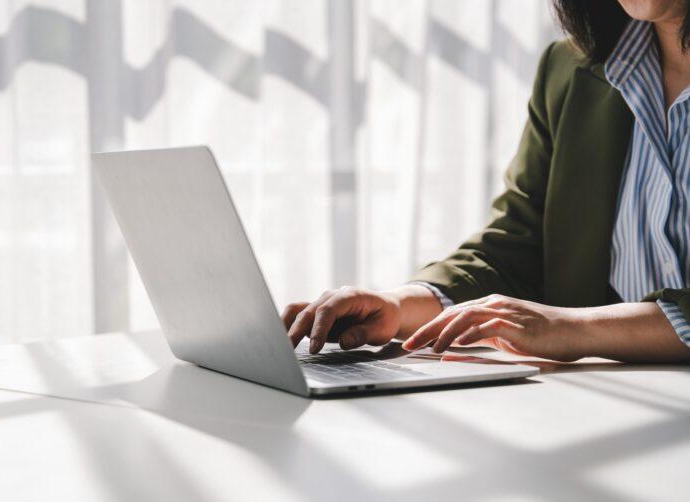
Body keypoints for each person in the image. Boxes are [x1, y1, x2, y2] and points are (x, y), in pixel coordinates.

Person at [283, 0, 690, 363]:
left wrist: (573, 328)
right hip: (612, 403)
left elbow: (563, 323)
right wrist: (400, 306)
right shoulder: (570, 68)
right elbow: (520, 243)